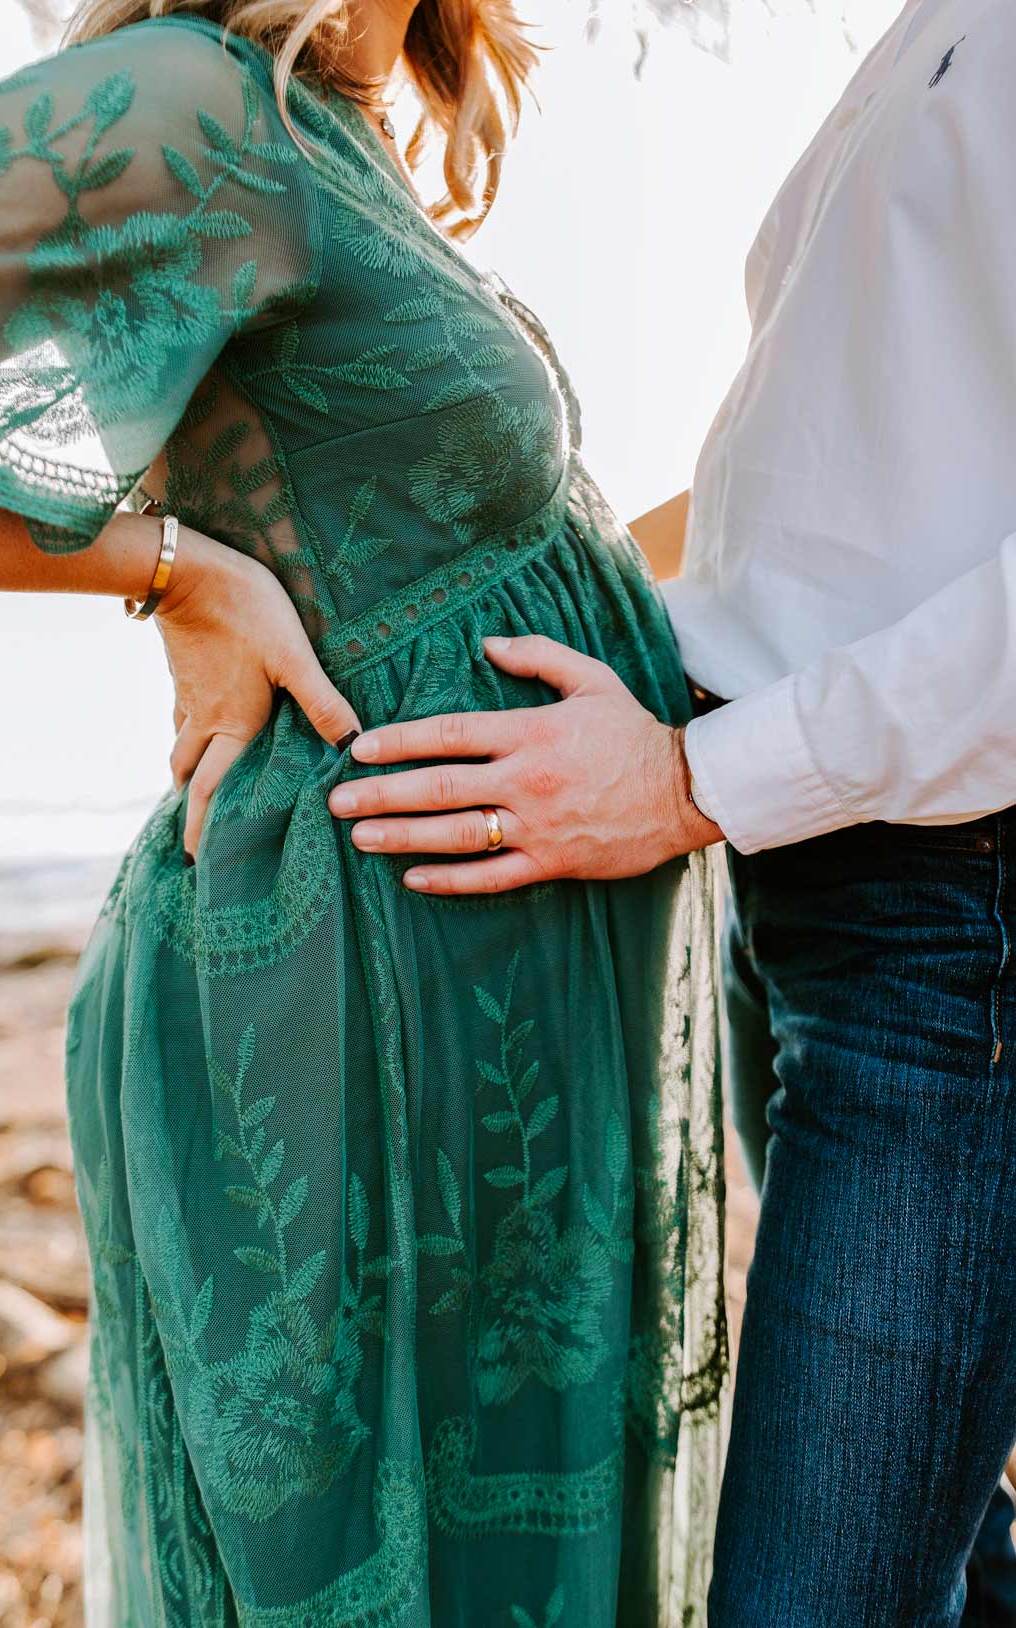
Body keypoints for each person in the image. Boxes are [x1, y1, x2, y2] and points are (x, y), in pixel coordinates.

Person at [0, 1, 730, 1622]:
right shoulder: (189, 96)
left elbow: (514, 574)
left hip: (493, 1029)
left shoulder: (339, 131)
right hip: (355, 1015)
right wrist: (175, 576)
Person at [329, 0, 1016, 1621]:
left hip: (947, 918)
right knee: (937, 1545)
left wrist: (694, 781)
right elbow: (827, 489)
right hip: (800, 878)